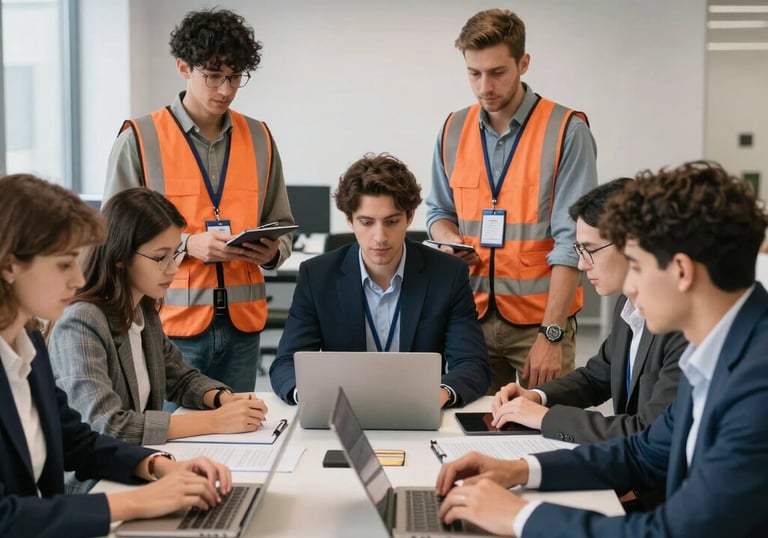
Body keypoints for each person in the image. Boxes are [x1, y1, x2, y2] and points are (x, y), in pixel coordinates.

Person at [435, 161, 768, 537]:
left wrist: (519, 517)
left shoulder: (757, 385)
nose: (630, 287)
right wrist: (519, 470)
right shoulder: (714, 349)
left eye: (637, 267)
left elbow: (672, 532)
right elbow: (644, 452)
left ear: (681, 271)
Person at [0, 174, 232, 538]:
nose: (78, 279)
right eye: (64, 264)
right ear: (9, 265)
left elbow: (76, 440)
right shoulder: (75, 321)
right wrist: (138, 503)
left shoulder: (27, 344)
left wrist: (157, 465)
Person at [103, 8, 294, 393]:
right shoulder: (140, 138)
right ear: (183, 67)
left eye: (235, 76)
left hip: (244, 328)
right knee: (177, 443)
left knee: (241, 437)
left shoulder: (260, 138)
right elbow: (112, 234)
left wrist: (271, 252)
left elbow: (282, 226)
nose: (225, 89)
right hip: (168, 324)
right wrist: (189, 243)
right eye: (212, 75)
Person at [47, 188, 269, 492]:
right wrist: (216, 421)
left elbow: (179, 376)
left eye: (176, 253)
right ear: (121, 256)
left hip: (136, 468)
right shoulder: (81, 320)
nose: (173, 268)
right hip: (94, 485)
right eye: (160, 258)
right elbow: (106, 426)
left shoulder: (142, 308)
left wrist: (221, 398)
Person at [425, 8, 598, 392]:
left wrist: (551, 335)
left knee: (547, 433)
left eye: (497, 72)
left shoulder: (567, 131)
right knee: (472, 434)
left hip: (540, 323)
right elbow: (438, 212)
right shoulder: (453, 129)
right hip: (471, 317)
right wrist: (450, 239)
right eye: (474, 73)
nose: (485, 86)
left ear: (523, 63)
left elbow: (572, 241)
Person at [269, 153, 490, 407]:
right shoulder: (317, 276)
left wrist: (440, 395)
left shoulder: (447, 274)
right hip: (344, 410)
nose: (380, 237)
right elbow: (286, 363)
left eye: (392, 221)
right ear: (350, 220)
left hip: (420, 408)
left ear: (409, 217)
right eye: (366, 222)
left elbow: (472, 363)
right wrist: (308, 396)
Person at [491, 178, 686, 444]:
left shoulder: (681, 325)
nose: (582, 265)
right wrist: (536, 396)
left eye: (590, 250)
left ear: (633, 245)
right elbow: (596, 377)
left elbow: (649, 431)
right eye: (579, 250)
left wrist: (545, 418)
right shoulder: (627, 306)